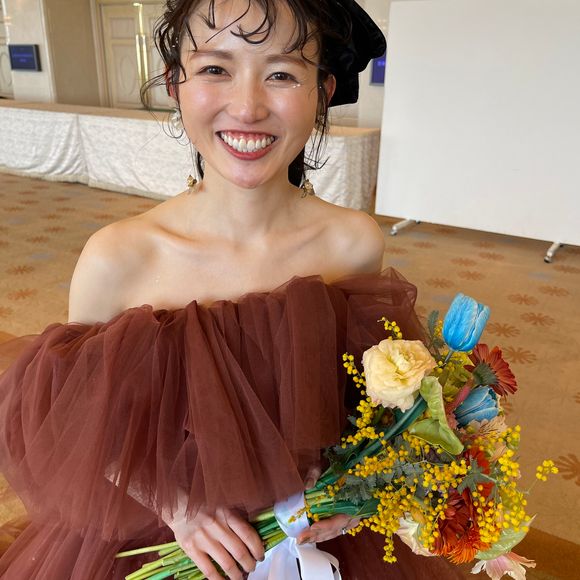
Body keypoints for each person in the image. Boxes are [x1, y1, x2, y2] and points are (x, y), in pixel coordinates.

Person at [0, 0, 466, 578]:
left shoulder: (350, 243)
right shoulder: (119, 258)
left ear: (323, 91)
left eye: (282, 74)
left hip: (310, 536)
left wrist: (356, 490)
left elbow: (363, 397)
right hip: (167, 536)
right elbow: (76, 420)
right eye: (216, 68)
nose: (247, 107)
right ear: (175, 83)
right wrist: (179, 508)